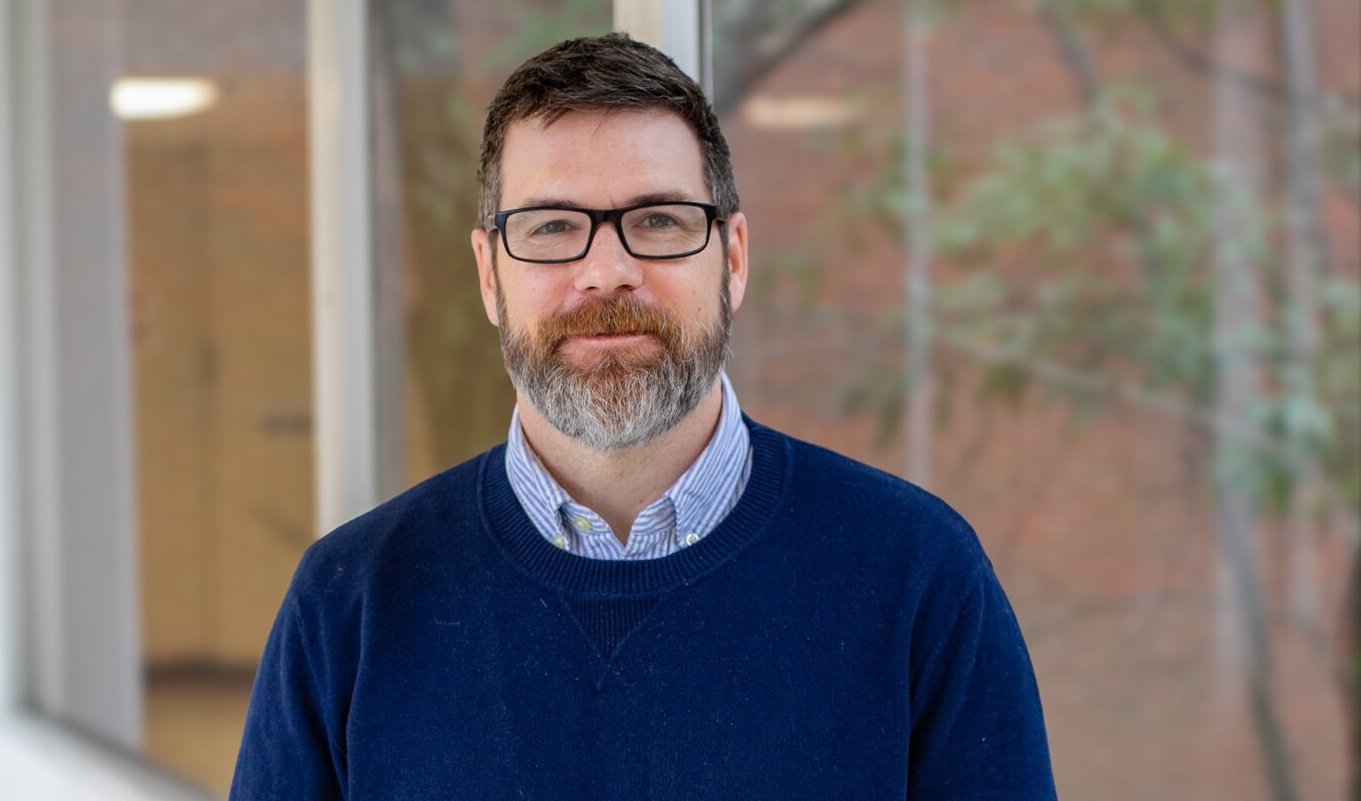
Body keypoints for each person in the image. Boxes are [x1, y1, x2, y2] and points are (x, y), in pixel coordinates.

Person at [230, 33, 1057, 800]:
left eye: (657, 221)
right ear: (489, 276)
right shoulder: (352, 602)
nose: (606, 270)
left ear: (731, 259)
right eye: (552, 227)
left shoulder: (915, 574)